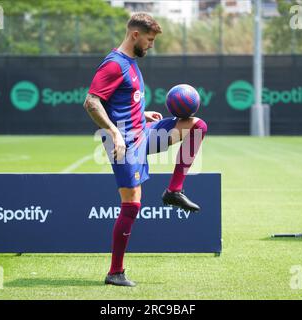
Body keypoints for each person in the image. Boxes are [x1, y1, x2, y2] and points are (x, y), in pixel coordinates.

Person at [83, 13, 208, 287]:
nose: (151, 45)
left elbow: (124, 103)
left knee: (196, 125)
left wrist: (143, 114)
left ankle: (174, 190)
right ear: (135, 35)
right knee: (132, 204)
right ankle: (115, 272)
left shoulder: (131, 63)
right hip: (123, 145)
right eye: (149, 40)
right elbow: (92, 102)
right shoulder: (114, 64)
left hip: (143, 132)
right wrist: (114, 132)